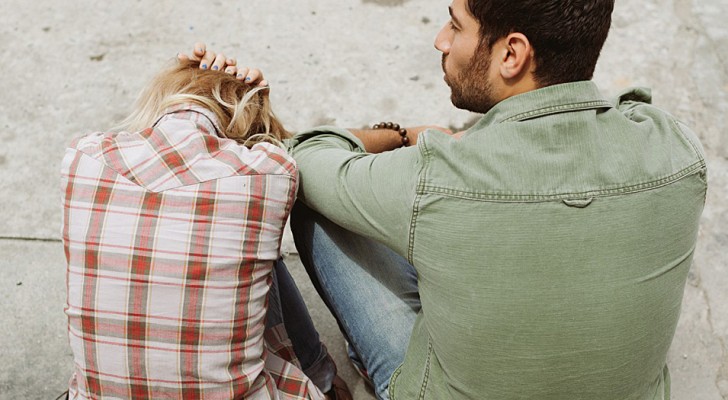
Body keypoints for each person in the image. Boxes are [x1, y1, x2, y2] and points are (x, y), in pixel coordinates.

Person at [193, 0, 708, 398]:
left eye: (456, 25)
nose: (441, 39)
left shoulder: (439, 174)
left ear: (512, 54)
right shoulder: (676, 148)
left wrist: (402, 135)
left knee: (320, 201)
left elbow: (301, 157)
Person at [60, 59, 351, 399]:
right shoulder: (266, 173)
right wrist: (254, 99)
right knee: (248, 241)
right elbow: (287, 154)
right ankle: (323, 379)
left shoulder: (84, 159)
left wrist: (185, 76)